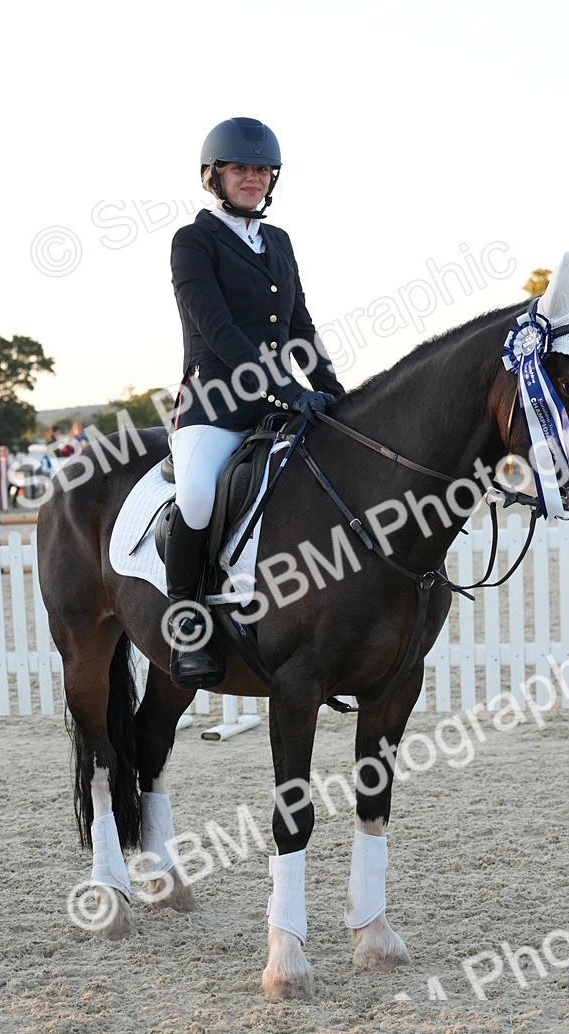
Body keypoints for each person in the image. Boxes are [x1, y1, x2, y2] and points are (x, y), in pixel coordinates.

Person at [165, 116, 345, 689]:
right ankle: (185, 622)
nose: (253, 177)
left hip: (276, 406)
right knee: (196, 495)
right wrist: (287, 388)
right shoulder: (193, 241)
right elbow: (218, 329)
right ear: (214, 176)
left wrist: (335, 393)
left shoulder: (279, 242)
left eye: (262, 169)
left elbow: (299, 327)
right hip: (214, 405)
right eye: (240, 168)